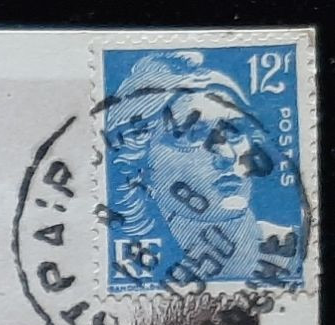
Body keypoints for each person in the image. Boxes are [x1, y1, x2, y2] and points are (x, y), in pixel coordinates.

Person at [104, 50, 303, 287]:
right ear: (140, 171)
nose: (227, 155)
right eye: (193, 135)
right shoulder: (135, 270)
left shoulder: (295, 249)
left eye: (234, 131)